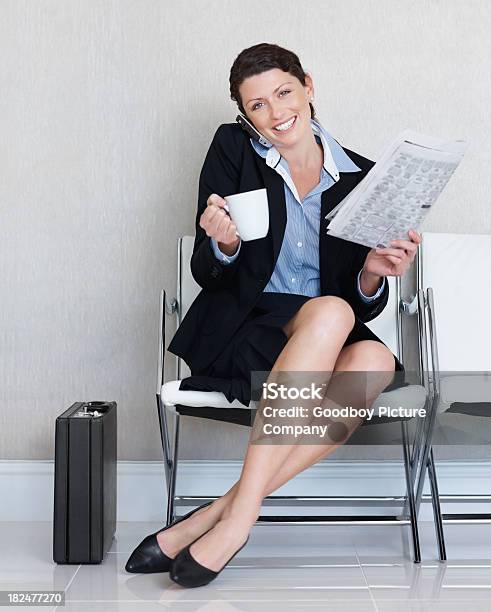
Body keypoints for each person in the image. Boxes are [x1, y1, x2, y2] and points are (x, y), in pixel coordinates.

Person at [126, 42, 421, 587]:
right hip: (248, 327)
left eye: (283, 92)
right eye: (257, 104)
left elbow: (357, 300)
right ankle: (237, 524)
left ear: (308, 86)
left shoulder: (363, 176)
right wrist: (223, 245)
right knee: (332, 314)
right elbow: (206, 272)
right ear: (244, 114)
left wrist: (374, 272)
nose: (275, 111)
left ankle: (220, 514)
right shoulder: (233, 149)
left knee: (375, 359)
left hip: (319, 337)